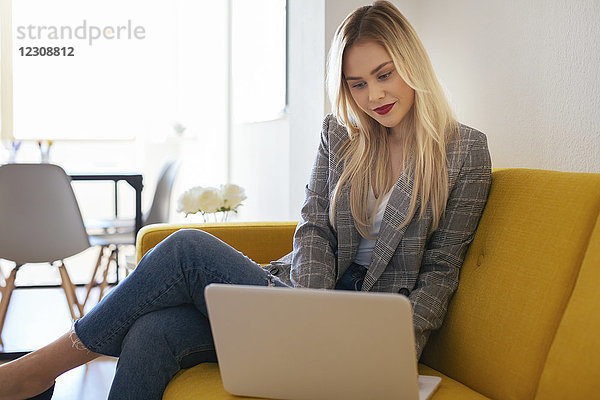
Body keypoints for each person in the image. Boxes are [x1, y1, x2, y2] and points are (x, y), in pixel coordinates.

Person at [0, 1, 491, 399]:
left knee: (186, 248)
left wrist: (392, 354)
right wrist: (308, 310)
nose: (373, 96)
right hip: (305, 301)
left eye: (385, 74)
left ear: (411, 62)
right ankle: (35, 374)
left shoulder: (463, 151)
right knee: (154, 332)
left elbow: (441, 272)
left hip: (370, 333)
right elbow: (315, 227)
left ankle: (34, 372)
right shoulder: (341, 133)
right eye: (356, 84)